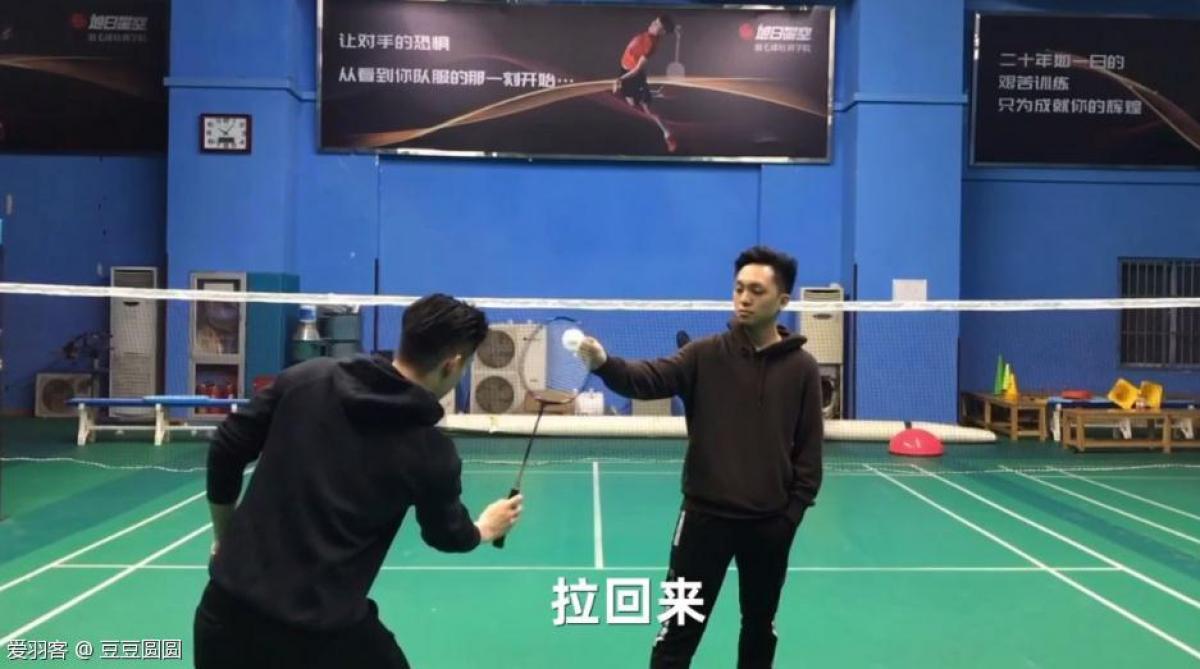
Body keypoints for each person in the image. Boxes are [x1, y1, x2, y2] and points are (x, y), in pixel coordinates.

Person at [194, 294, 523, 669]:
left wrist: (224, 535)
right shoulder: (430, 453)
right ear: (452, 364)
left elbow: (226, 446)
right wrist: (484, 529)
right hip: (320, 639)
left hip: (225, 618)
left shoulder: (307, 378)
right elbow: (447, 535)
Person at [577, 246, 824, 669]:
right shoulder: (704, 355)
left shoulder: (802, 369)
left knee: (759, 627)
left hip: (769, 525)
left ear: (782, 301)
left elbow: (809, 451)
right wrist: (603, 363)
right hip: (703, 522)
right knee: (678, 629)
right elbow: (647, 378)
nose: (744, 298)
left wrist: (790, 517)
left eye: (757, 291)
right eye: (739, 288)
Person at [612, 14, 678, 153]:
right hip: (626, 71)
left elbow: (637, 70)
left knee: (647, 109)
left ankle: (668, 133)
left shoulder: (650, 44)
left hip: (632, 75)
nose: (653, 24)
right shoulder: (650, 35)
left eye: (657, 25)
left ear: (662, 32)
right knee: (632, 103)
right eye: (655, 21)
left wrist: (620, 79)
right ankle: (653, 93)